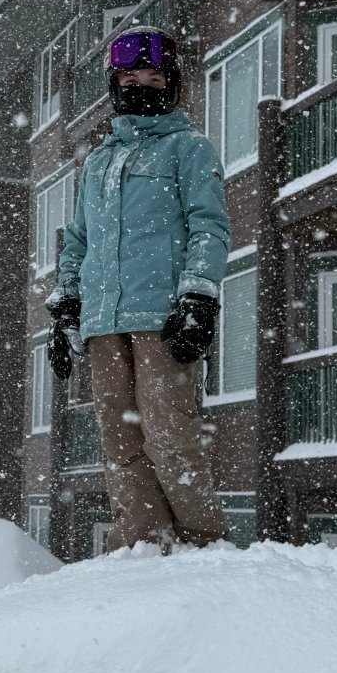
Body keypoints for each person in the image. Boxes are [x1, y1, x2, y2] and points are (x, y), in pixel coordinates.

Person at [46, 28, 231, 551]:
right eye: (130, 79)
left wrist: (198, 296)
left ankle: (202, 545)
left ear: (170, 84)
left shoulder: (189, 149)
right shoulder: (98, 164)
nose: (141, 87)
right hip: (104, 324)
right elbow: (78, 243)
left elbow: (209, 226)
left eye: (153, 78)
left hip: (161, 318)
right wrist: (66, 309)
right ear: (115, 85)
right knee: (120, 440)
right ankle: (143, 543)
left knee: (169, 432)